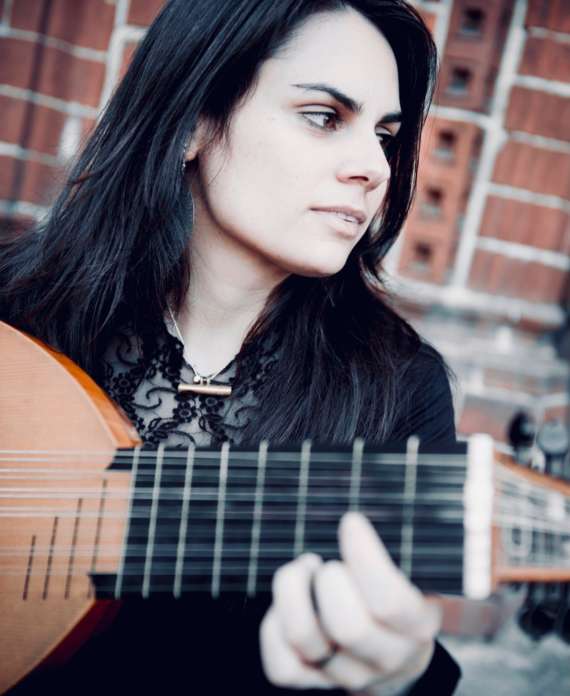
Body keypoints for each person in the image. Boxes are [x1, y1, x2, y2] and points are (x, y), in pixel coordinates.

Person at [1, 0, 461, 693]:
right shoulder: (16, 312)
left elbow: (394, 641)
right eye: (324, 117)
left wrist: (400, 674)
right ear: (193, 121)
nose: (375, 167)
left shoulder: (398, 388)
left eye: (386, 136)